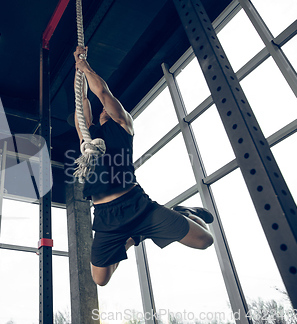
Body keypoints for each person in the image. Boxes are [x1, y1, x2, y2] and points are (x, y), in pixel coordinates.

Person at [73, 46, 214, 287]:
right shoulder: (89, 139)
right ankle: (132, 238)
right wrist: (77, 74)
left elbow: (102, 92)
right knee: (100, 279)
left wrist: (85, 67)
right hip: (106, 217)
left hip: (137, 205)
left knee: (204, 240)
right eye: (102, 110)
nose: (104, 108)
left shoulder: (123, 124)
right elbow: (82, 101)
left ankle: (183, 212)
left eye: (108, 107)